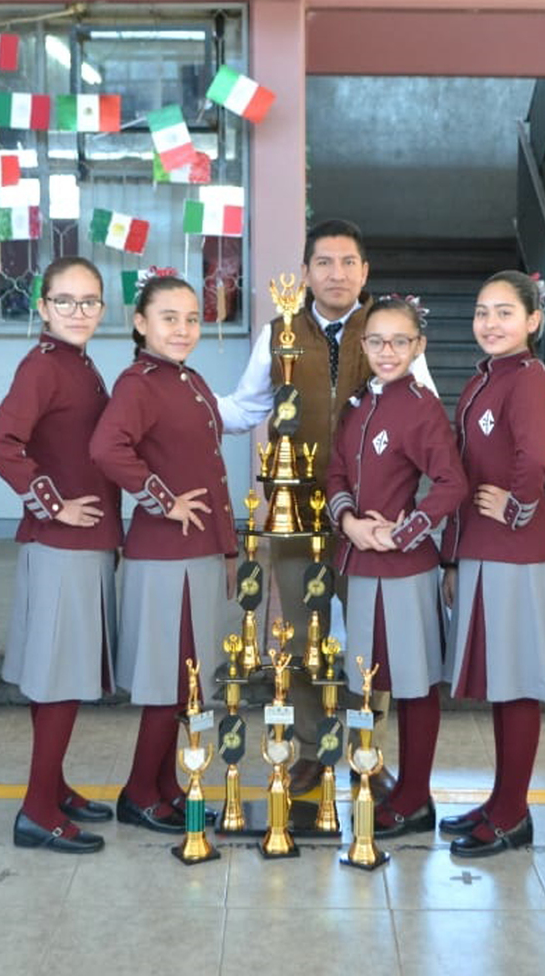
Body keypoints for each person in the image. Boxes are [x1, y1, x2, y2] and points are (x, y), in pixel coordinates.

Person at [218, 218, 432, 795]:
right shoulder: (279, 332)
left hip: (373, 523)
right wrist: (179, 399)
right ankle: (312, 749)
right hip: (297, 514)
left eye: (348, 263)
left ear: (365, 271)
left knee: (370, 638)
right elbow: (245, 407)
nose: (337, 274)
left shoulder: (389, 329)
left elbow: (425, 410)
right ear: (306, 272)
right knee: (301, 636)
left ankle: (366, 749)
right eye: (324, 263)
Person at [440, 271, 545, 857]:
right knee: (502, 681)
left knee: (517, 683)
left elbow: (536, 457)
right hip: (483, 546)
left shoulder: (529, 378)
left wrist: (517, 507)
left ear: (533, 321)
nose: (490, 323)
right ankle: (501, 800)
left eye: (504, 312)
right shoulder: (485, 378)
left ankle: (513, 813)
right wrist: (453, 555)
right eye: (482, 312)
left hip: (516, 550)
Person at [0, 256, 120, 855]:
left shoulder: (77, 362)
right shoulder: (44, 366)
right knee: (60, 678)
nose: (78, 311)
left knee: (57, 674)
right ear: (42, 306)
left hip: (83, 542)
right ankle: (37, 810)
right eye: (65, 301)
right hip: (64, 544)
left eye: (89, 301)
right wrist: (51, 503)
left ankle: (53, 787)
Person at [91, 273, 237, 834]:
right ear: (140, 323)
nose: (183, 329)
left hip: (197, 553)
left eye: (192, 318)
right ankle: (138, 792)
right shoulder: (140, 383)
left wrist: (226, 550)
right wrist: (162, 499)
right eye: (169, 318)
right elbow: (107, 448)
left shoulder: (187, 379)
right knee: (167, 680)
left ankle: (167, 784)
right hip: (164, 556)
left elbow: (211, 472)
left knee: (187, 679)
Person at [324, 296, 467, 839]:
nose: (387, 351)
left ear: (418, 346)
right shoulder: (360, 403)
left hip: (405, 570)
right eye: (377, 341)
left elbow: (452, 483)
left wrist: (404, 532)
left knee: (414, 684)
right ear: (362, 344)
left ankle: (415, 796)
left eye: (400, 341)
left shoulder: (421, 406)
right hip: (360, 563)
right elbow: (337, 474)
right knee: (367, 681)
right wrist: (350, 524)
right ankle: (369, 779)